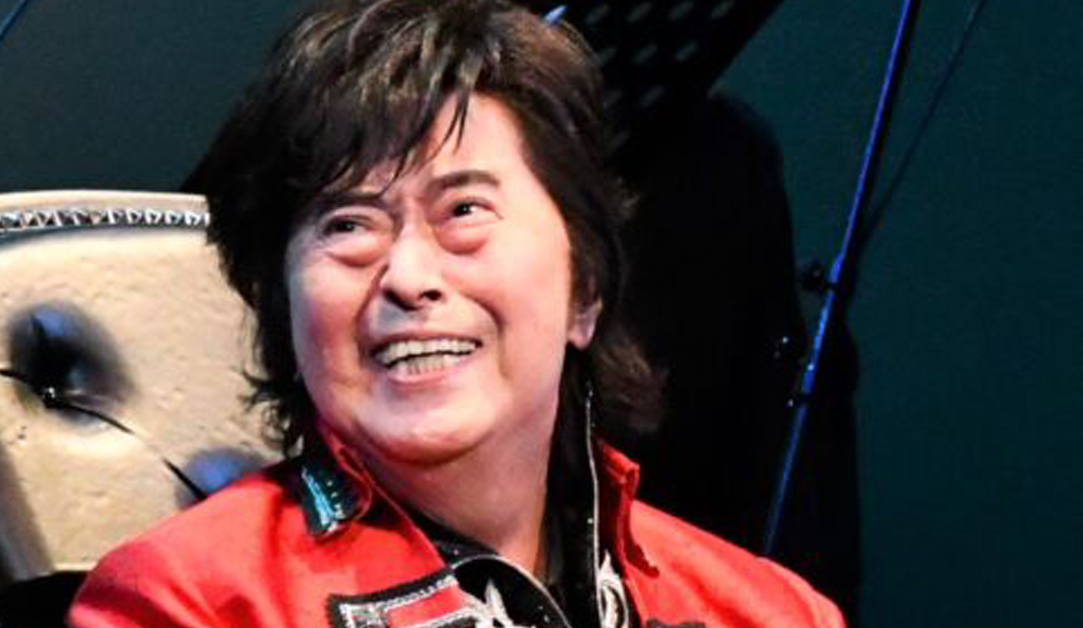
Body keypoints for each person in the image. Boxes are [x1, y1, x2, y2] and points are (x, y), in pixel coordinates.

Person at [68, 0, 845, 626]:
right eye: (348, 226)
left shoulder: (775, 614)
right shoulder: (189, 603)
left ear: (585, 291)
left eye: (464, 211)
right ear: (283, 308)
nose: (409, 277)